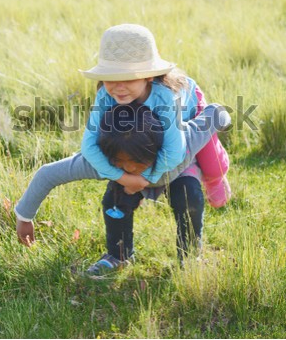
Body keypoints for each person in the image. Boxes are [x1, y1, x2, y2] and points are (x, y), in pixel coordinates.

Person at [80, 23, 230, 206]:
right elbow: (88, 146)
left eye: (128, 78)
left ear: (148, 76)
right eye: (111, 78)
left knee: (211, 162)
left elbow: (175, 152)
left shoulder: (165, 96)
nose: (118, 86)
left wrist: (146, 178)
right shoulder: (106, 94)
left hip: (189, 110)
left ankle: (215, 180)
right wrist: (124, 178)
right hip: (146, 125)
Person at [86, 102, 230, 278]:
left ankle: (190, 256)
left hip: (178, 166)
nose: (129, 167)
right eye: (119, 161)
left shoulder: (180, 127)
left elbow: (215, 114)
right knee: (114, 200)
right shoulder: (125, 104)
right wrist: (124, 175)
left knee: (188, 197)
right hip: (133, 158)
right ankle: (118, 255)